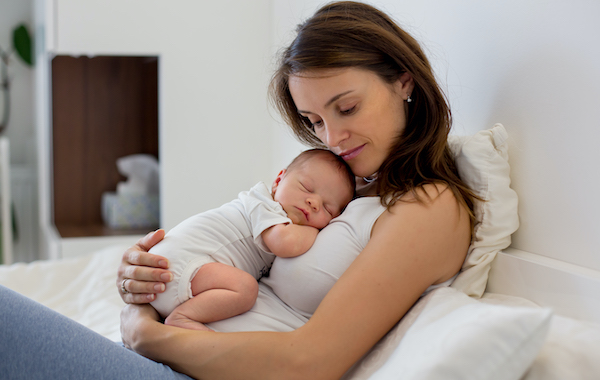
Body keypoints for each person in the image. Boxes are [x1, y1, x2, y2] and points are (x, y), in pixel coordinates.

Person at [0, 2, 479, 379]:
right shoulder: (346, 186)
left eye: (347, 108)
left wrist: (145, 333)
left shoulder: (429, 207)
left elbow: (309, 362)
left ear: (405, 82)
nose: (332, 139)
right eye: (314, 121)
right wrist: (142, 277)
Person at [147, 148, 355, 331]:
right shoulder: (263, 204)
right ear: (278, 180)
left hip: (178, 275)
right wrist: (316, 231)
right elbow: (285, 243)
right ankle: (182, 317)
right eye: (306, 188)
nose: (313, 202)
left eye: (327, 208)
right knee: (245, 289)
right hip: (177, 264)